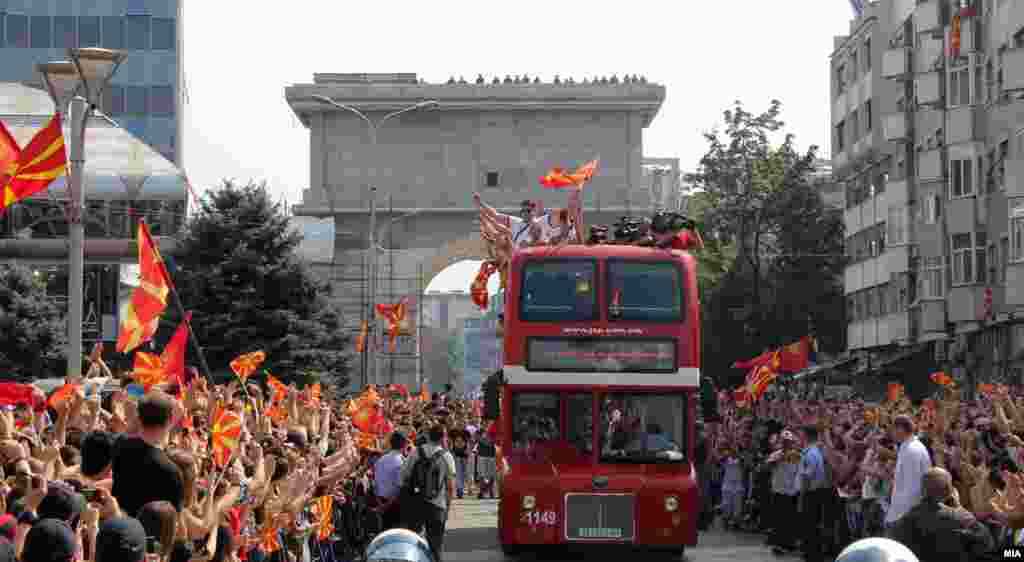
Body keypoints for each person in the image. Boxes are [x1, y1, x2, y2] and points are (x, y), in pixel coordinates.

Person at [888, 467, 994, 561]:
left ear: (922, 490)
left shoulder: (903, 522)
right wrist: (959, 508)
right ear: (949, 490)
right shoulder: (959, 518)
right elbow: (986, 540)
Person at [111, 392, 185, 517]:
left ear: (139, 418)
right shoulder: (172, 471)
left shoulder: (119, 445)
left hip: (118, 525)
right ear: (169, 421)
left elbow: (131, 433)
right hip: (149, 534)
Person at [399, 424, 456, 562]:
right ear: (443, 438)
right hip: (437, 505)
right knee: (436, 546)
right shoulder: (447, 456)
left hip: (416, 502)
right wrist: (447, 507)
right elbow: (450, 487)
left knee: (413, 542)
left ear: (429, 436)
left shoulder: (415, 452)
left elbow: (403, 476)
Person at [885, 415, 932, 533]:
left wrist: (902, 518)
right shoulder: (909, 447)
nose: (891, 434)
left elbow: (913, 488)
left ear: (900, 429)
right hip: (904, 515)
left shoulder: (911, 450)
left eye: (893, 430)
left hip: (905, 518)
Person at [799, 424, 831, 562]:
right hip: (816, 492)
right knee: (813, 526)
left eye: (802, 434)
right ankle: (813, 553)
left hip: (811, 493)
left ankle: (812, 555)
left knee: (810, 526)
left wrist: (802, 495)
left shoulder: (810, 453)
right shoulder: (815, 452)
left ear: (806, 436)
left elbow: (807, 476)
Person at [768, 430, 801, 554]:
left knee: (790, 519)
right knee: (779, 519)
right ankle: (779, 543)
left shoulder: (797, 455)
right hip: (779, 491)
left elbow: (801, 469)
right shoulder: (776, 454)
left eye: (788, 442)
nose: (786, 444)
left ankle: (789, 543)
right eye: (784, 442)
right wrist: (780, 457)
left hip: (792, 491)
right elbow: (768, 465)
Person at [374, 431, 407, 530]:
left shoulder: (381, 460)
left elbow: (375, 484)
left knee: (385, 532)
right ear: (404, 445)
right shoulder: (401, 462)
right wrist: (386, 505)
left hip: (382, 501)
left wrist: (381, 504)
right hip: (395, 504)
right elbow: (399, 487)